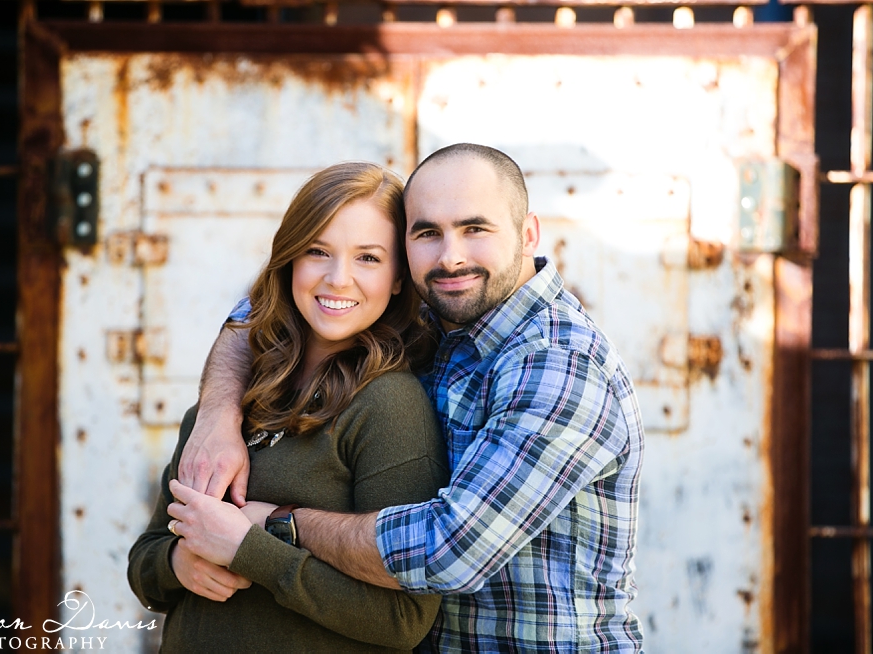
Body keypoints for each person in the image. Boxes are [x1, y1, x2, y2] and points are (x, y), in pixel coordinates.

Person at [180, 144, 645, 652]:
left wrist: (274, 526)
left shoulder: (558, 364)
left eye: (476, 229)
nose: (450, 256)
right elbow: (256, 310)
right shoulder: (439, 315)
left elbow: (451, 551)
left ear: (527, 233)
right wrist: (218, 411)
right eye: (427, 233)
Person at [127, 162, 449, 652]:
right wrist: (177, 565)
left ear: (399, 278)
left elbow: (403, 619)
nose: (338, 279)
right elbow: (144, 561)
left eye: (368, 258)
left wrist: (249, 552)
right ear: (290, 258)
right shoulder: (230, 402)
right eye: (318, 251)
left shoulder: (388, 405)